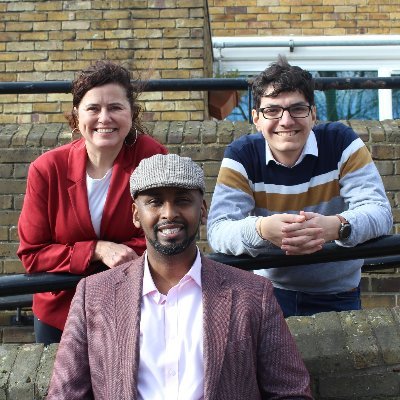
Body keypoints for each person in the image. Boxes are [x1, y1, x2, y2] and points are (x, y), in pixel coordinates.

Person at [48, 154, 312, 400]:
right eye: (154, 201)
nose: (169, 213)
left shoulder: (253, 293)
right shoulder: (94, 294)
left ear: (203, 210)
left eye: (183, 200)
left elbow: (291, 393)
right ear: (135, 214)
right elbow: (64, 394)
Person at [207, 55, 392, 318]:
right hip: (266, 294)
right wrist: (262, 230)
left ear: (313, 114)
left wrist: (336, 227)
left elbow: (380, 212)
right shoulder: (241, 155)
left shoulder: (341, 142)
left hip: (338, 293)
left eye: (297, 109)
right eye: (272, 111)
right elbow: (218, 230)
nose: (286, 121)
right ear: (256, 119)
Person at [17, 61, 167, 345]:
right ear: (76, 115)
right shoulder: (47, 169)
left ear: (132, 113)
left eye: (115, 107)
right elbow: (32, 255)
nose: (104, 118)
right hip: (61, 312)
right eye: (93, 108)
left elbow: (166, 232)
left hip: (131, 306)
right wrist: (98, 250)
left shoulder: (152, 157)